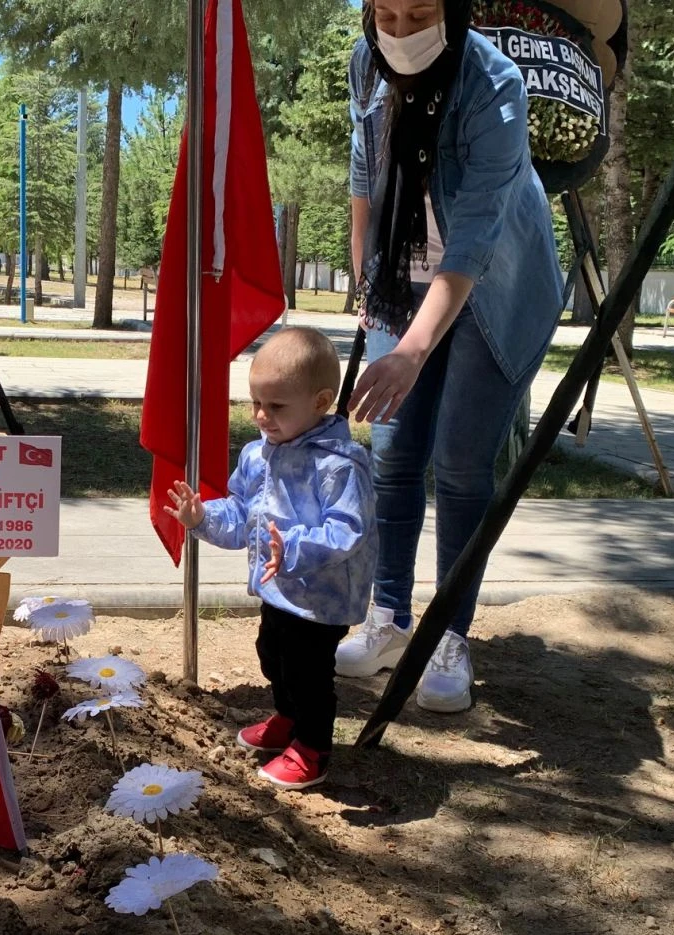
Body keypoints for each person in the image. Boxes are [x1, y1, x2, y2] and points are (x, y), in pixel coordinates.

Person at [334, 0, 564, 713]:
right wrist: (369, 297)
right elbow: (365, 180)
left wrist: (409, 351)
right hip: (401, 284)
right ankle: (391, 620)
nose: (401, 33)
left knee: (463, 465)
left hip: (494, 289)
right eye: (388, 15)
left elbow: (474, 239)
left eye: (421, 14)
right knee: (395, 456)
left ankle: (448, 635)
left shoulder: (494, 84)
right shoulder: (363, 62)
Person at [165, 328, 375, 790]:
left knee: (307, 671)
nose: (261, 416)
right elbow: (241, 512)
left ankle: (313, 746)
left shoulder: (339, 465)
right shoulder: (258, 455)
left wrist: (294, 547)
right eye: (255, 403)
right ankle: (287, 716)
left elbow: (348, 532)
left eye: (277, 407)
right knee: (273, 654)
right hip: (278, 588)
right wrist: (203, 516)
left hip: (321, 598)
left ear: (321, 402)